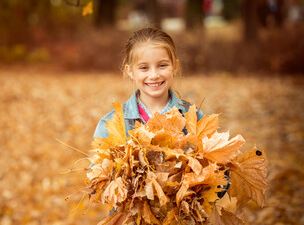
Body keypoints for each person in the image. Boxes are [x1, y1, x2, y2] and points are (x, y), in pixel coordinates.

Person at [92, 27, 229, 214]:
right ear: (130, 71)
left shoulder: (193, 118)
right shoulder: (113, 122)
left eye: (162, 65)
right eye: (144, 67)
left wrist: (193, 191)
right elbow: (97, 178)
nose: (154, 74)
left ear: (175, 66)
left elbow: (222, 175)